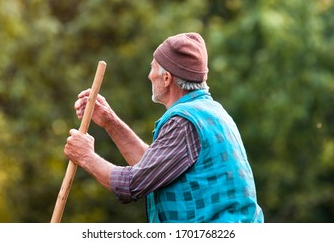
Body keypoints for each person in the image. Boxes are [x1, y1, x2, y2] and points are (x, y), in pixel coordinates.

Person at [64, 32, 264, 223]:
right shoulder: (211, 111)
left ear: (167, 78)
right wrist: (109, 120)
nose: (149, 75)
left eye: (152, 68)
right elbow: (151, 169)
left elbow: (133, 185)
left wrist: (85, 156)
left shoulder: (182, 122)